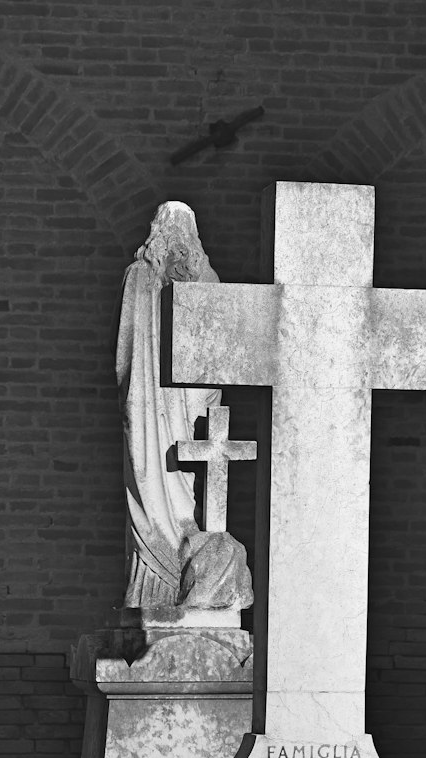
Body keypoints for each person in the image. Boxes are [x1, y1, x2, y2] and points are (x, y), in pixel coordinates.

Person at [116, 201, 252, 612]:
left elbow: (212, 360)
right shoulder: (145, 278)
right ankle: (155, 583)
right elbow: (129, 353)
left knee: (176, 487)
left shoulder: (189, 280)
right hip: (149, 411)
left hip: (171, 418)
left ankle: (167, 577)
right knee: (153, 483)